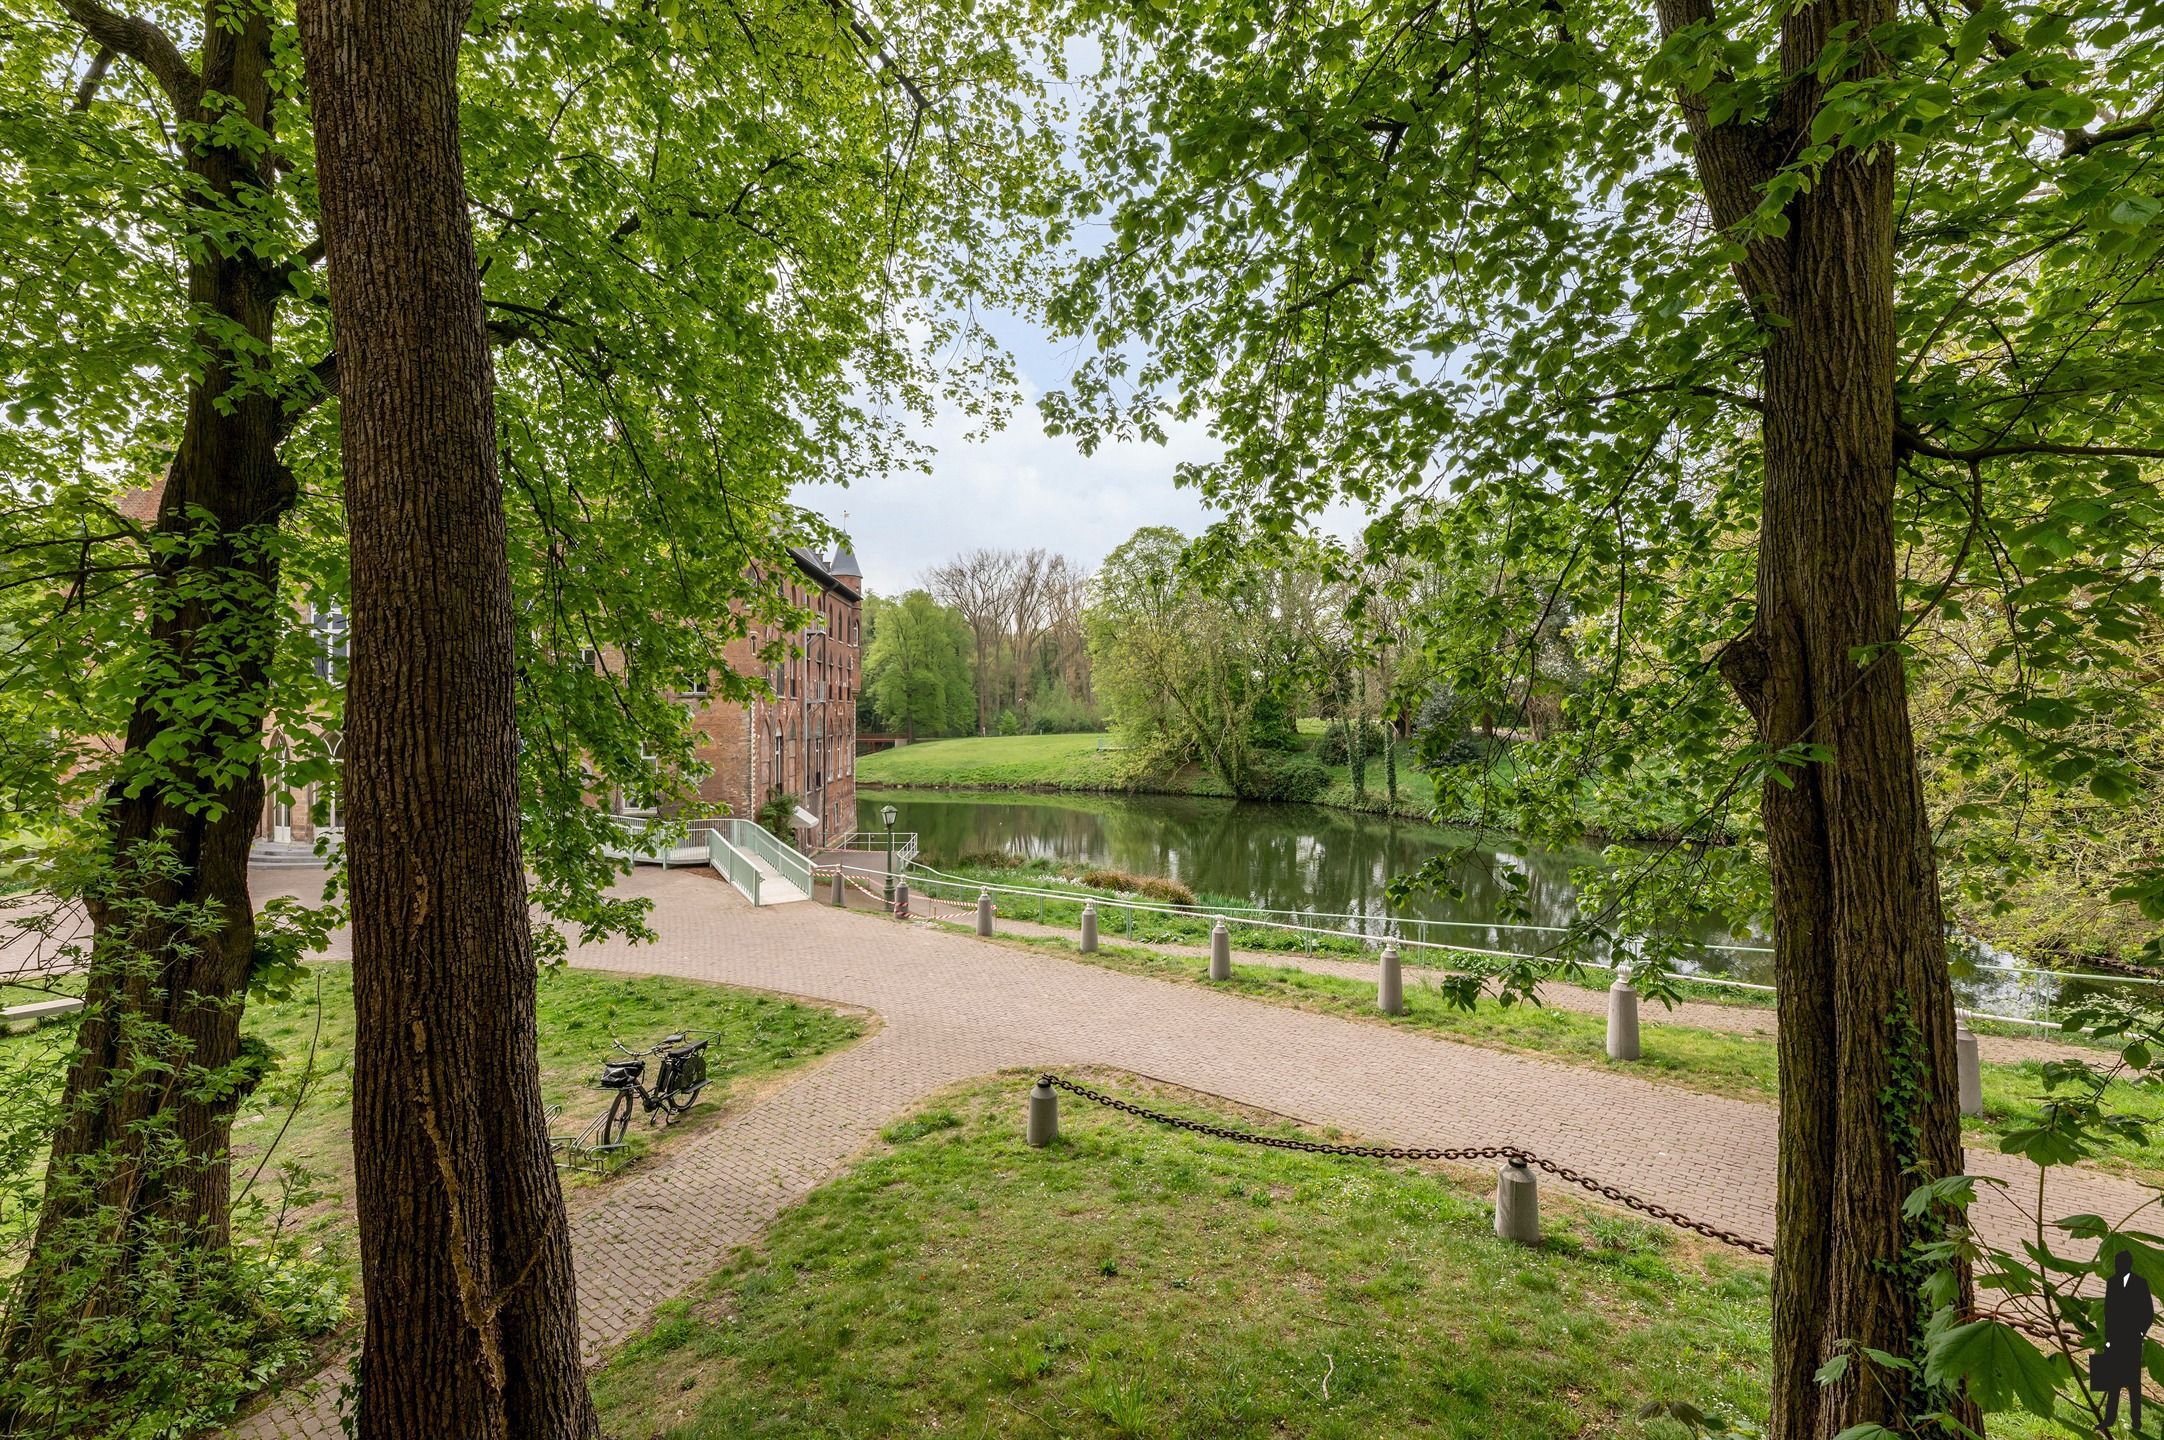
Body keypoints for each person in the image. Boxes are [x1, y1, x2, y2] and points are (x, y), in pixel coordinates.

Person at [2096, 1249, 2154, 1433]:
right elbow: (2108, 1312)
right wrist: (2108, 1338)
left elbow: (2148, 1312)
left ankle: (2136, 1422)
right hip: (2116, 1339)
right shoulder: (2112, 1283)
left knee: (2133, 1384)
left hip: (2132, 1340)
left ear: (2127, 1264)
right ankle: (2109, 1419)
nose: (2118, 1267)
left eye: (2120, 1263)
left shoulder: (2140, 1283)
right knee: (2113, 1382)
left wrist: (2140, 1333)